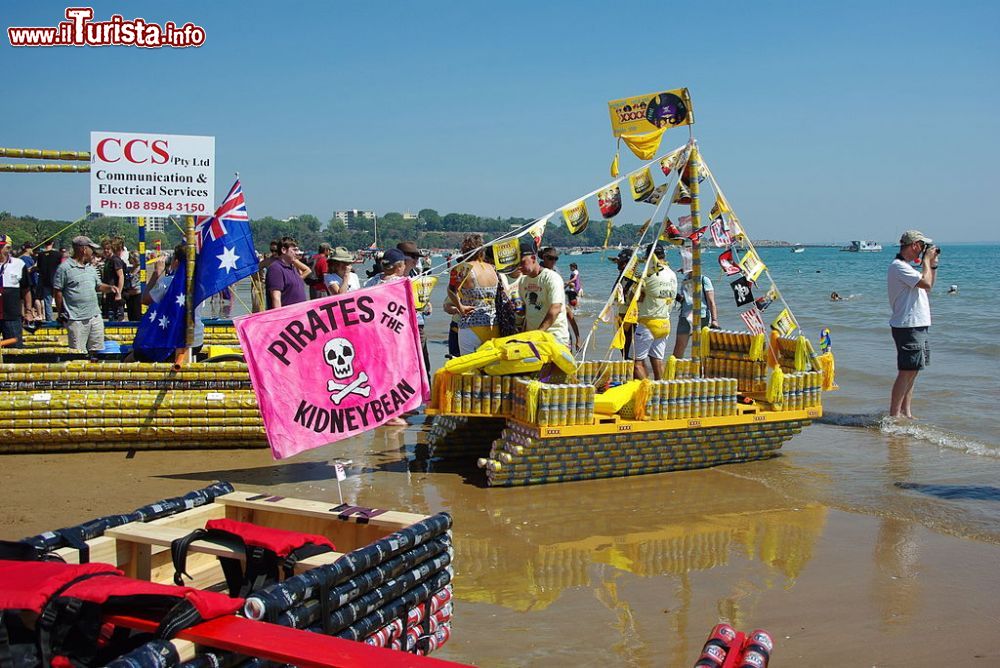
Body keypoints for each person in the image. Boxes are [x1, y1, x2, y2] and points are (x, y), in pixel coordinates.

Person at [888, 230, 940, 419]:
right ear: (915, 245)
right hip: (908, 325)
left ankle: (905, 412)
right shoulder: (898, 267)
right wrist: (926, 261)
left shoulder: (907, 268)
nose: (923, 250)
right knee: (906, 371)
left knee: (914, 370)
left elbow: (929, 286)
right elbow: (925, 283)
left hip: (917, 324)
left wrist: (932, 264)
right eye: (922, 246)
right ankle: (894, 416)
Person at [54, 236, 119, 360]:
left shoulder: (91, 268)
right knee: (78, 353)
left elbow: (98, 286)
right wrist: (61, 312)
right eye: (91, 249)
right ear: (83, 250)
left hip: (94, 316)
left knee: (97, 351)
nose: (93, 253)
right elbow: (57, 291)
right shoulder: (64, 268)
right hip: (76, 319)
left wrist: (110, 288)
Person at [137, 244, 206, 360]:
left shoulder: (168, 283)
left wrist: (157, 273)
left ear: (176, 262)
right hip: (197, 339)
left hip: (173, 339)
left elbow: (144, 300)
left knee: (137, 354)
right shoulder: (200, 285)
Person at [447, 234, 500, 356]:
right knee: (491, 368)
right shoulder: (492, 268)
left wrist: (460, 307)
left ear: (464, 250)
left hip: (471, 324)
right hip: (493, 323)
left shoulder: (463, 268)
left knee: (469, 368)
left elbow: (451, 291)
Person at [633, 245, 678, 380]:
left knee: (637, 364)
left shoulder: (650, 274)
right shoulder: (672, 274)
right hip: (665, 323)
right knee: (657, 361)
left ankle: (649, 390)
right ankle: (661, 391)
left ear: (649, 257)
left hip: (648, 323)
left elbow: (636, 297)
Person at [517, 237, 570, 347]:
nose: (519, 267)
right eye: (516, 264)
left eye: (522, 263)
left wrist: (539, 333)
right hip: (532, 339)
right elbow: (526, 310)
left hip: (555, 338)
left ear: (533, 258)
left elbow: (555, 308)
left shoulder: (551, 278)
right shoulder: (523, 281)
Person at [398, 241, 432, 384]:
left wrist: (427, 304)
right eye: (413, 256)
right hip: (400, 326)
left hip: (419, 324)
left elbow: (422, 298)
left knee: (423, 362)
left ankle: (425, 397)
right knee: (404, 363)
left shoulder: (415, 274)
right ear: (403, 258)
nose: (416, 260)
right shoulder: (391, 278)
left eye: (417, 257)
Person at [673, 271, 718, 358]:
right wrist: (676, 296)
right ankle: (676, 369)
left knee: (702, 348)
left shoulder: (704, 280)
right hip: (685, 316)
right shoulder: (685, 279)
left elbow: (711, 302)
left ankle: (701, 369)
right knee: (679, 346)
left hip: (702, 317)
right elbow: (686, 300)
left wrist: (714, 320)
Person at [0, 234, 34, 347]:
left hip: (12, 317)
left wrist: (28, 312)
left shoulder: (19, 264)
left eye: (1, 247)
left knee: (14, 351)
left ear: (8, 248)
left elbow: (26, 290)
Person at [265, 237, 309, 309]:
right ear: (283, 250)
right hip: (287, 317)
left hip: (299, 315)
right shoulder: (276, 269)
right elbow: (276, 298)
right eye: (294, 250)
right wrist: (280, 318)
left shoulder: (292, 268)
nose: (297, 253)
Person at [609, 249, 636, 358]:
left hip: (629, 315)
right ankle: (627, 362)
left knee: (627, 342)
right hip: (622, 313)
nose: (618, 266)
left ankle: (630, 364)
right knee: (622, 342)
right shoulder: (623, 276)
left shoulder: (632, 277)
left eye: (621, 263)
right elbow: (613, 293)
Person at [35, 239, 61, 322]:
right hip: (56, 279)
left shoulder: (40, 255)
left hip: (45, 279)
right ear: (52, 243)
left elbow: (38, 267)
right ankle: (61, 316)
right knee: (59, 298)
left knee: (47, 301)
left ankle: (49, 319)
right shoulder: (57, 254)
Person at [100, 238, 126, 321]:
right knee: (110, 316)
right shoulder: (108, 260)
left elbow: (121, 276)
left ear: (112, 249)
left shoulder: (116, 260)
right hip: (109, 291)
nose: (106, 251)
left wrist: (119, 293)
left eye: (108, 249)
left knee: (117, 317)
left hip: (115, 292)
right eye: (104, 249)